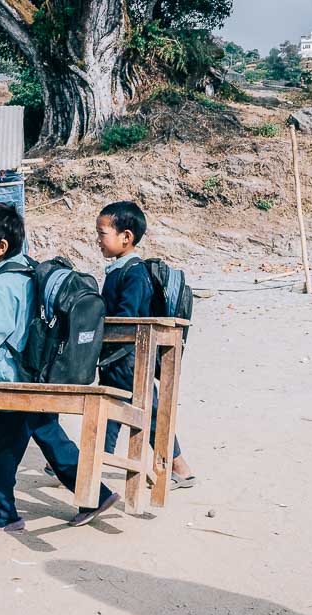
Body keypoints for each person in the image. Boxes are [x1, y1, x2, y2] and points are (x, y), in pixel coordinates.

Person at [0, 202, 120, 533]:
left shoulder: (3, 285)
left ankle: (0, 514)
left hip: (14, 382)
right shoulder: (30, 272)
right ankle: (94, 495)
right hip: (38, 375)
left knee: (0, 442)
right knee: (48, 433)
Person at [95, 201, 197, 489]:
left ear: (126, 237)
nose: (98, 240)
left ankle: (179, 466)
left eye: (102, 233)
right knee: (112, 408)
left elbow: (127, 318)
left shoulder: (134, 273)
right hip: (118, 356)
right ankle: (94, 458)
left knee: (147, 412)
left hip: (128, 356)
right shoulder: (118, 269)